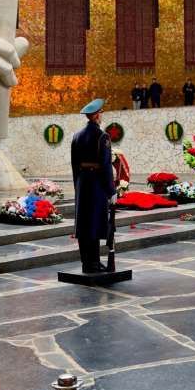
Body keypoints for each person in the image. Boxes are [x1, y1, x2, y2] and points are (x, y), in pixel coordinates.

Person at [69, 99, 117, 273]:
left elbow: (74, 165)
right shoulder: (102, 136)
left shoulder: (77, 136)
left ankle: (86, 263)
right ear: (97, 115)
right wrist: (111, 191)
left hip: (82, 183)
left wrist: (77, 185)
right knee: (95, 222)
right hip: (96, 184)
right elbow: (105, 166)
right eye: (101, 113)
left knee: (84, 223)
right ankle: (95, 263)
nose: (102, 115)